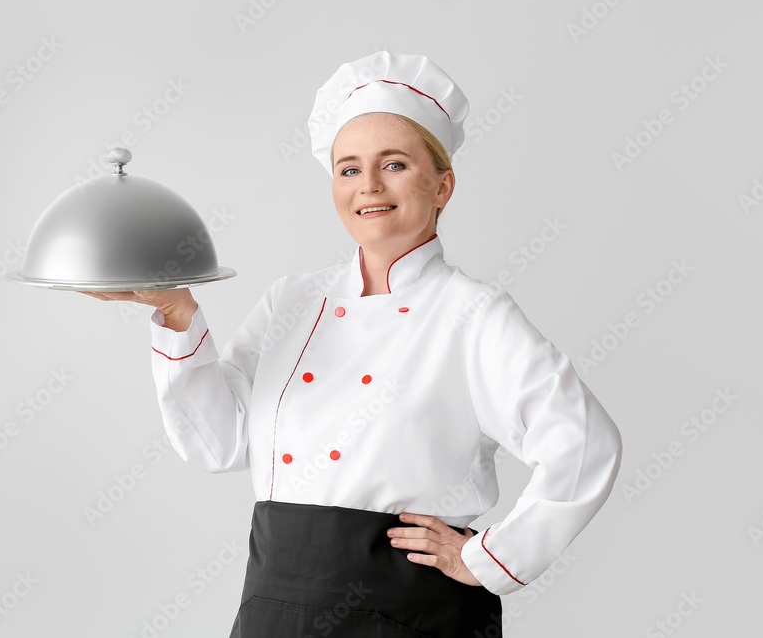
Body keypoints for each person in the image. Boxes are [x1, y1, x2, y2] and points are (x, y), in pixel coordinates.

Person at [83, 51, 622, 637]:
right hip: (273, 605)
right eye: (348, 169)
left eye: (393, 164)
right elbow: (223, 443)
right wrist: (176, 312)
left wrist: (490, 557)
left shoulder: (472, 314)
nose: (367, 186)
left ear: (443, 185)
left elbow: (584, 443)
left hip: (406, 613)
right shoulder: (292, 301)